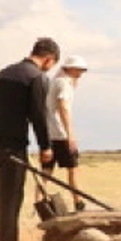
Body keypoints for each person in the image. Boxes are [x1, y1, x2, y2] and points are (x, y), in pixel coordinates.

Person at [0, 37, 59, 241]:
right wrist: (45, 146)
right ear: (48, 59)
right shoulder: (36, 78)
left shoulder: (4, 73)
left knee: (2, 195)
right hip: (14, 146)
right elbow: (39, 115)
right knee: (12, 197)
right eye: (52, 65)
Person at [42, 54, 89, 210]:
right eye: (78, 70)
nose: (80, 74)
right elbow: (63, 107)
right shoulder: (64, 84)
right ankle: (78, 201)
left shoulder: (54, 81)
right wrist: (70, 135)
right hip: (60, 133)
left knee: (46, 170)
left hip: (48, 132)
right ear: (70, 69)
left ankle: (40, 200)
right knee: (73, 168)